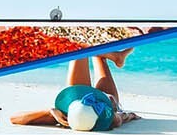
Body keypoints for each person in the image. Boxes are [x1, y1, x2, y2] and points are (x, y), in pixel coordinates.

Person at [11, 50, 140, 129]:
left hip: (77, 97)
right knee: (97, 58)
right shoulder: (112, 120)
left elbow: (14, 118)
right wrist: (129, 115)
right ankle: (111, 55)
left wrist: (50, 111)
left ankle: (112, 55)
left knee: (78, 49)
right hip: (105, 100)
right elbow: (125, 116)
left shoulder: (66, 115)